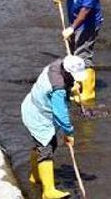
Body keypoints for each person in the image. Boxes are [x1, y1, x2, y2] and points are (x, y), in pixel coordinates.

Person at [21, 55, 88, 199]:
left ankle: (35, 176)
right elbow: (60, 113)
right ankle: (48, 191)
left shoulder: (57, 65)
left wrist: (71, 91)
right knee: (47, 149)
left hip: (31, 106)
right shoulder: (58, 88)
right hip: (39, 117)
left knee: (40, 145)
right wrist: (68, 132)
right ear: (67, 71)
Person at [53, 0, 104, 104]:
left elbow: (86, 9)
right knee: (74, 53)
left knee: (82, 55)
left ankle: (87, 92)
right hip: (75, 22)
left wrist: (72, 28)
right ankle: (77, 84)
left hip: (87, 24)